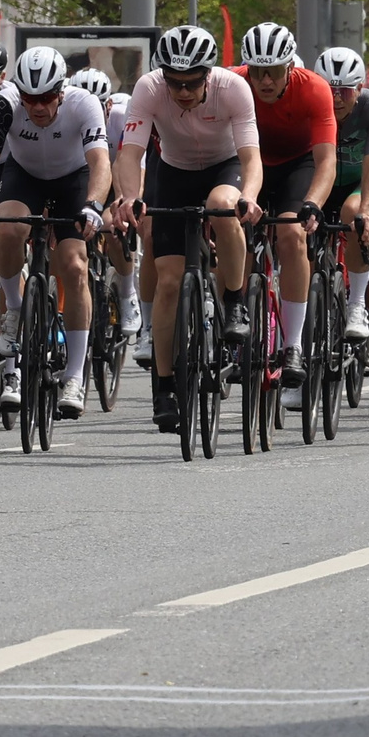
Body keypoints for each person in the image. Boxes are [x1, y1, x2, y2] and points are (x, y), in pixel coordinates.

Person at [114, 23, 261, 432]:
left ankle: (234, 300)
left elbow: (251, 157)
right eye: (174, 83)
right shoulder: (148, 88)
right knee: (167, 282)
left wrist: (248, 195)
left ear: (207, 75)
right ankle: (163, 387)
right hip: (173, 172)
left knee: (222, 206)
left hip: (223, 167)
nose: (181, 92)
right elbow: (130, 155)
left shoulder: (233, 88)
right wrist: (129, 196)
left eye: (191, 83)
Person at [0, 46, 110, 419]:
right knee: (10, 227)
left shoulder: (83, 104)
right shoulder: (5, 104)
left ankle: (73, 378)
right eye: (30, 98)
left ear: (61, 92)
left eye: (47, 98)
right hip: (26, 178)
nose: (38, 107)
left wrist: (94, 205)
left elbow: (100, 162)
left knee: (74, 265)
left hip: (72, 180)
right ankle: (14, 312)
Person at [233, 22, 337, 397]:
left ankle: (293, 344)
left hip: (296, 165)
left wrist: (313, 203)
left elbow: (326, 161)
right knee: (232, 233)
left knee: (292, 235)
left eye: (273, 72)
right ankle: (235, 318)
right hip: (248, 163)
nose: (263, 80)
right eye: (256, 71)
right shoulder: (233, 82)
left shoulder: (314, 88)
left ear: (290, 67)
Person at [314, 45, 369, 369]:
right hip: (322, 182)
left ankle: (367, 317)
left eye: (344, 91)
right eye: (328, 90)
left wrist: (366, 213)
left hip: (359, 184)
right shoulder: (311, 107)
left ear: (360, 88)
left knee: (353, 218)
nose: (335, 98)